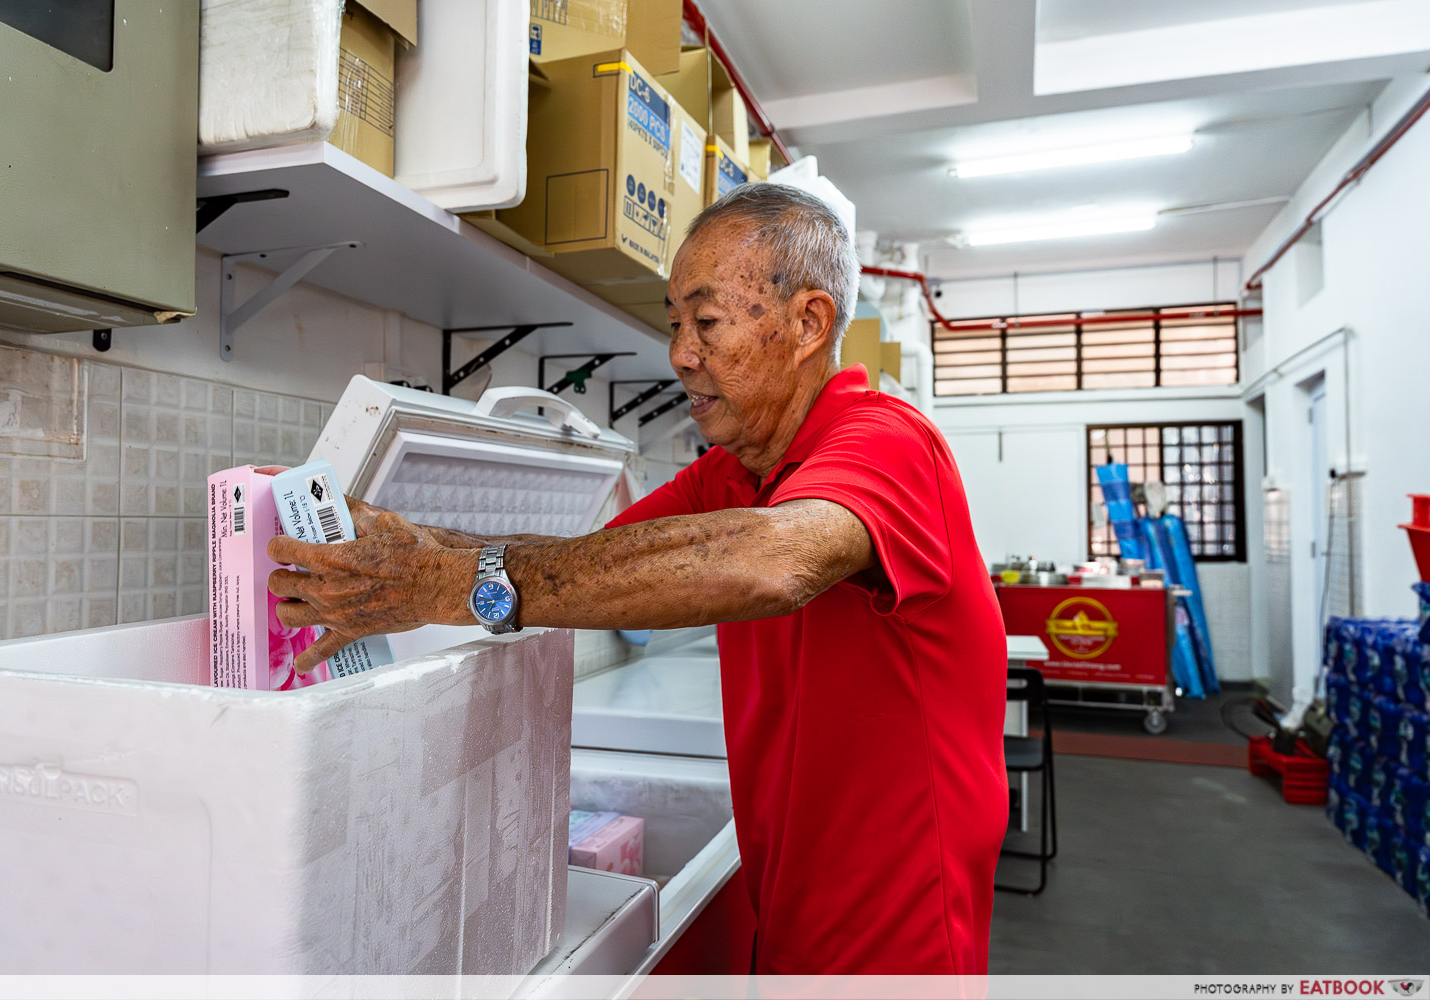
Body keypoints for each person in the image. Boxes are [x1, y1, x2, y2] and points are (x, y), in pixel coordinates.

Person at [267, 183, 1009, 974]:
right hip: (792, 902)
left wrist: (445, 584)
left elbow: (769, 562)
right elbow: (595, 560)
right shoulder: (735, 473)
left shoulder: (890, 441)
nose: (681, 353)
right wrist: (416, 554)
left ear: (808, 324)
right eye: (674, 324)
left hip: (897, 931)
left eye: (707, 322)